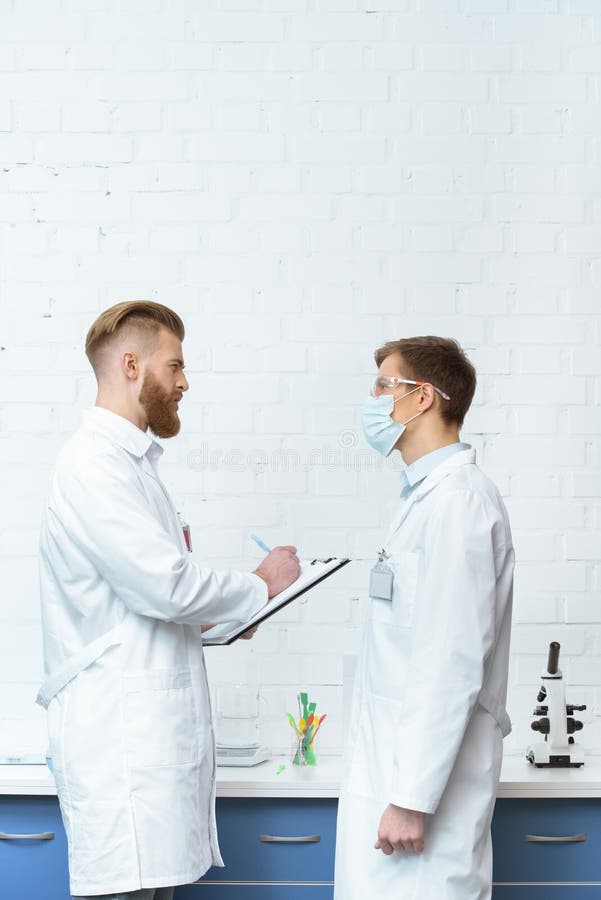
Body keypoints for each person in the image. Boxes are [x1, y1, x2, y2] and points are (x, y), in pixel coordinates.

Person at [37, 300, 300, 900]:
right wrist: (260, 583)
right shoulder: (93, 466)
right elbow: (165, 586)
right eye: (174, 366)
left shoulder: (131, 466)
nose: (184, 383)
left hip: (147, 758)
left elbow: (139, 606)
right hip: (120, 754)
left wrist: (221, 620)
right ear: (132, 365)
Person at [334, 336, 514, 900]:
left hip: (420, 810)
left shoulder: (459, 503)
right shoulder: (425, 500)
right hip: (393, 787)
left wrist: (411, 798)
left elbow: (450, 660)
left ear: (423, 398)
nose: (374, 400)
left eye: (385, 387)